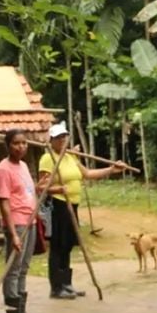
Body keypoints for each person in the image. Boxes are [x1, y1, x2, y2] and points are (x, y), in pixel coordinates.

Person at [38, 121, 126, 299]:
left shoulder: (70, 157)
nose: (62, 140)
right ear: (51, 140)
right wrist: (57, 189)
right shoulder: (48, 158)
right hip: (57, 204)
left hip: (73, 205)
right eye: (58, 137)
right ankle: (56, 287)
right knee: (58, 245)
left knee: (68, 244)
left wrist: (111, 169)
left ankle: (67, 284)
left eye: (64, 137)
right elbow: (41, 187)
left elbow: (87, 174)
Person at [0, 129, 41, 313]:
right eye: (16, 143)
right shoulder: (3, 170)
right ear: (8, 145)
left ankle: (21, 312)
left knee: (23, 268)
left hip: (29, 221)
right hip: (17, 223)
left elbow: (27, 191)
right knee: (13, 271)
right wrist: (13, 234)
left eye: (24, 143)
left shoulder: (23, 166)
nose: (21, 147)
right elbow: (4, 203)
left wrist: (40, 187)